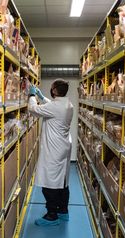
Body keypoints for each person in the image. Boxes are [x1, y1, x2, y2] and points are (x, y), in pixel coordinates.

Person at [28, 79, 74, 226]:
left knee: (49, 183)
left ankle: (52, 214)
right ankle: (63, 211)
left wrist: (32, 96)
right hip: (63, 147)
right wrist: (42, 97)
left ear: (54, 91)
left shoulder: (56, 107)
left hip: (54, 150)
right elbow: (52, 106)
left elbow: (33, 109)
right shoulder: (68, 104)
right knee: (62, 182)